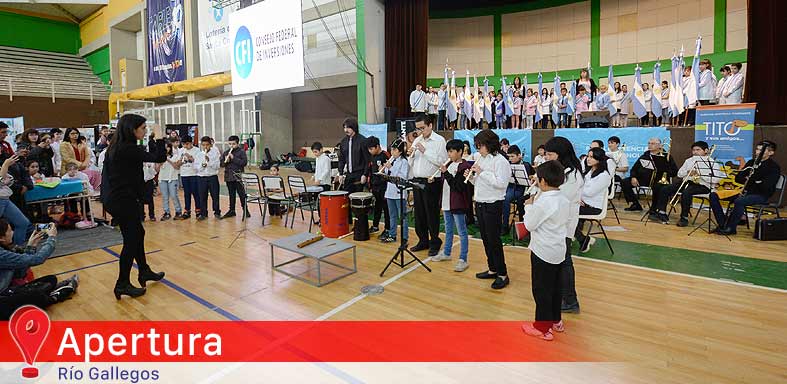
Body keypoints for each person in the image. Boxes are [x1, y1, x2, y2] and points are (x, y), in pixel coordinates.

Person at [103, 113, 166, 299]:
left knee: (138, 233)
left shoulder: (119, 147)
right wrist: (160, 135)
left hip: (119, 198)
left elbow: (148, 156)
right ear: (132, 129)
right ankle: (122, 283)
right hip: (122, 200)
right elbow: (159, 157)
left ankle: (144, 270)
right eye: (143, 128)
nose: (145, 131)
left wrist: (153, 140)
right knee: (131, 240)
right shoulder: (127, 149)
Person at [520, 160, 569, 341]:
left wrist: (528, 205)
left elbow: (529, 224)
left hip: (543, 251)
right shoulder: (563, 198)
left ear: (543, 181)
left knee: (541, 290)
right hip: (558, 249)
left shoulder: (542, 203)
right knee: (556, 287)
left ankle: (542, 328)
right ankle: (556, 320)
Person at [540, 137, 584, 313]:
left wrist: (542, 189)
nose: (547, 157)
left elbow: (559, 198)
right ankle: (564, 297)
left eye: (550, 154)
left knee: (564, 262)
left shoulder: (573, 175)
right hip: (554, 224)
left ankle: (571, 301)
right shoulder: (559, 171)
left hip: (564, 225)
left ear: (561, 154)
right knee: (560, 262)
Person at [466, 129, 511, 289]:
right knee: (485, 239)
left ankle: (502, 274)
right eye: (477, 146)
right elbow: (478, 182)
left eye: (480, 145)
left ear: (490, 144)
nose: (478, 149)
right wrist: (471, 177)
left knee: (494, 240)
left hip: (493, 203)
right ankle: (492, 268)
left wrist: (482, 173)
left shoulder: (501, 161)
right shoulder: (479, 158)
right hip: (479, 201)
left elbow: (501, 184)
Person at [711, 141, 781, 235]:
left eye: (761, 150)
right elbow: (738, 178)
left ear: (771, 153)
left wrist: (752, 179)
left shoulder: (773, 167)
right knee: (713, 195)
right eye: (757, 149)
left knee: (740, 201)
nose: (757, 152)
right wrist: (752, 180)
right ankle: (723, 224)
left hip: (760, 195)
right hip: (744, 191)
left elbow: (767, 185)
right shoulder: (751, 162)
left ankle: (731, 228)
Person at [651, 141, 724, 226]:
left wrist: (700, 174)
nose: (695, 152)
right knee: (665, 188)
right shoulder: (689, 161)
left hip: (703, 185)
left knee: (687, 192)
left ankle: (684, 218)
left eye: (698, 150)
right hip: (687, 182)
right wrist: (687, 172)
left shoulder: (712, 163)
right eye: (694, 150)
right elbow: (679, 174)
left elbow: (716, 179)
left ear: (706, 151)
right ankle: (661, 212)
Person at [408, 114, 448, 257]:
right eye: (417, 129)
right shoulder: (417, 140)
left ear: (430, 125)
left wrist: (425, 151)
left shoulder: (439, 141)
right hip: (417, 180)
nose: (419, 132)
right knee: (419, 213)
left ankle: (435, 242)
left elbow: (442, 162)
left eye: (422, 128)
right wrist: (411, 155)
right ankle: (423, 240)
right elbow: (410, 163)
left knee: (431, 213)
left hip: (431, 181)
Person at [432, 139, 472, 272]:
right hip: (446, 201)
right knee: (448, 229)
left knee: (461, 231)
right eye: (448, 151)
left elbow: (458, 186)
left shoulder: (464, 166)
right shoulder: (449, 164)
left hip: (458, 203)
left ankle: (463, 259)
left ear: (460, 152)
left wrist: (446, 173)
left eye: (451, 151)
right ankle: (447, 253)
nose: (449, 154)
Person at [620, 138, 678, 212]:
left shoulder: (666, 156)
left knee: (658, 187)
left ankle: (654, 209)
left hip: (658, 180)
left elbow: (674, 171)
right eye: (649, 143)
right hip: (643, 179)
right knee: (624, 182)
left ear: (659, 145)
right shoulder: (645, 155)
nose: (650, 145)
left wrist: (664, 170)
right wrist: (633, 177)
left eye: (653, 143)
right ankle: (635, 204)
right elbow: (634, 169)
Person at [575, 148, 612, 253]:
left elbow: (589, 192)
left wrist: (579, 193)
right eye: (588, 156)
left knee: (566, 212)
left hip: (594, 208)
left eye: (592, 157)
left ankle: (582, 239)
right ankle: (579, 238)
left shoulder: (604, 175)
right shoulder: (588, 171)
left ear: (599, 159)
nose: (588, 159)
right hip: (584, 204)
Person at [381, 139, 409, 244]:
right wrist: (383, 170)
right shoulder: (392, 160)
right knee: (392, 215)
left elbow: (403, 177)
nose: (392, 152)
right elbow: (389, 176)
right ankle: (392, 235)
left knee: (403, 217)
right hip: (390, 192)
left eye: (394, 150)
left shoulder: (404, 162)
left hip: (399, 193)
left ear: (400, 151)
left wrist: (391, 168)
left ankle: (405, 237)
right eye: (391, 150)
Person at [502, 145, 534, 233]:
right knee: (504, 198)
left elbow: (532, 177)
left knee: (514, 200)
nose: (510, 159)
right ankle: (505, 225)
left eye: (512, 156)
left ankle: (522, 225)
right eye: (509, 157)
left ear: (519, 155)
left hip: (522, 189)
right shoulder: (508, 165)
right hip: (510, 187)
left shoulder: (526, 165)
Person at [221, 135, 249, 219]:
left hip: (238, 176)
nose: (231, 146)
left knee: (241, 194)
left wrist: (233, 158)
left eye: (233, 144)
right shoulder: (226, 152)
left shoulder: (241, 152)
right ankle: (232, 210)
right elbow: (221, 164)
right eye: (230, 144)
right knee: (231, 194)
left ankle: (245, 210)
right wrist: (226, 161)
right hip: (229, 176)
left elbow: (244, 163)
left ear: (237, 143)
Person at [194, 136, 221, 220]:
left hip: (212, 177)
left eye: (207, 145)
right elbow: (196, 167)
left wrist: (209, 162)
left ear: (210, 145)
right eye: (203, 145)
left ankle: (217, 212)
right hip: (201, 178)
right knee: (202, 196)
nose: (205, 147)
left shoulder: (215, 153)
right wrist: (202, 165)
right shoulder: (198, 154)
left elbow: (217, 166)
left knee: (215, 196)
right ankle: (203, 213)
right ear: (201, 145)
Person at [366, 136, 389, 234]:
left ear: (378, 146)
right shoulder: (372, 157)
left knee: (386, 209)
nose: (370, 151)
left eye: (371, 149)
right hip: (375, 187)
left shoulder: (385, 155)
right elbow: (370, 171)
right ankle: (375, 226)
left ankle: (388, 229)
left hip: (384, 187)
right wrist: (370, 185)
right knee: (377, 208)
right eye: (368, 149)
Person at [159, 137, 184, 221]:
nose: (166, 148)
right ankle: (167, 212)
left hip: (172, 178)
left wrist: (167, 159)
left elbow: (177, 167)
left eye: (168, 147)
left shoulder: (176, 156)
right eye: (164, 147)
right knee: (165, 197)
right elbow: (156, 169)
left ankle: (178, 211)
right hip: (162, 178)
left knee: (173, 195)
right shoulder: (160, 157)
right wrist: (160, 161)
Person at [179, 136, 200, 219]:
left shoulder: (197, 150)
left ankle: (198, 210)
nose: (185, 146)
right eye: (183, 144)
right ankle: (187, 211)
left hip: (194, 174)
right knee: (186, 193)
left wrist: (190, 157)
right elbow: (178, 163)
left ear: (191, 143)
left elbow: (198, 162)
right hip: (184, 174)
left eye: (187, 144)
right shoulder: (181, 150)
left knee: (196, 193)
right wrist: (180, 160)